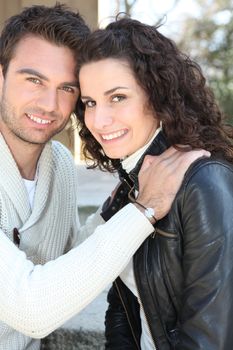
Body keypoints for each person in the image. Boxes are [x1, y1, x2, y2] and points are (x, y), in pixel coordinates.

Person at [0, 4, 210, 350]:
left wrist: (117, 205)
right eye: (34, 79)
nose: (49, 104)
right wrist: (142, 209)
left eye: (66, 88)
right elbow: (33, 309)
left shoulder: (61, 165)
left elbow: (67, 267)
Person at [76, 17, 233, 350]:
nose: (99, 120)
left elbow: (210, 340)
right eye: (90, 102)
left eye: (117, 97)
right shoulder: (126, 190)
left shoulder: (204, 184)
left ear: (158, 95)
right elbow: (123, 310)